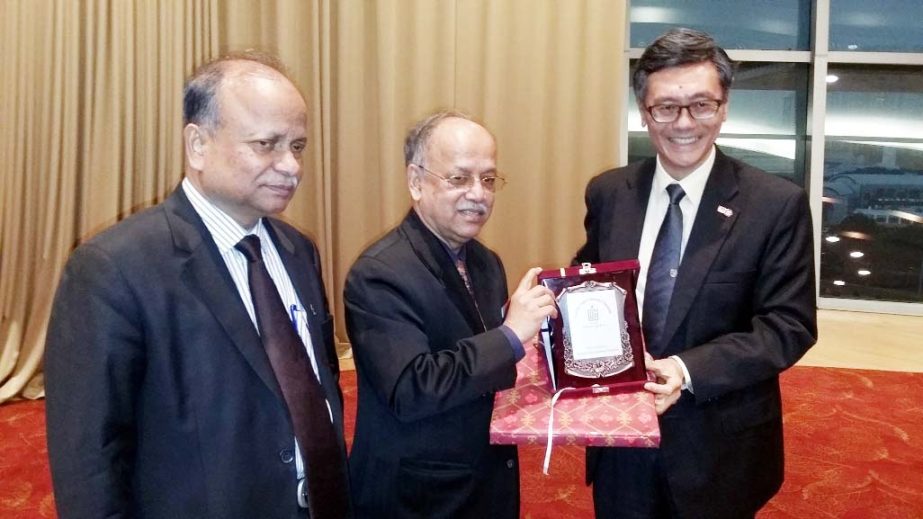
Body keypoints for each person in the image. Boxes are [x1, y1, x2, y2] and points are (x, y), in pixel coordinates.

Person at [44, 52, 351, 518]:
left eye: (299, 145)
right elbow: (91, 462)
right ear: (198, 145)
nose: (291, 166)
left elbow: (315, 379)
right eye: (267, 144)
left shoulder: (297, 250)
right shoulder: (112, 269)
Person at [575, 28, 817, 518]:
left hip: (720, 444)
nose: (684, 123)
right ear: (644, 112)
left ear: (724, 107)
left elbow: (788, 326)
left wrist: (686, 370)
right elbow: (593, 285)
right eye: (666, 107)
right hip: (621, 438)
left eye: (702, 105)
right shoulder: (609, 193)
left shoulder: (774, 204)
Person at [344, 110, 557, 518]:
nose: (478, 193)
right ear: (416, 182)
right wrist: (511, 336)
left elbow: (482, 358)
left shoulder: (485, 262)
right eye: (459, 179)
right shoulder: (380, 272)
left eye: (489, 179)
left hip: (483, 475)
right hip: (419, 494)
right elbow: (412, 388)